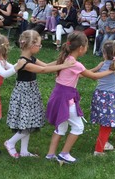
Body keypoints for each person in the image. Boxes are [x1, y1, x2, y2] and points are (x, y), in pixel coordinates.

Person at [45, 31, 114, 164]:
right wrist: (110, 71)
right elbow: (93, 77)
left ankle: (50, 154)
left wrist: (96, 68)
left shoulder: (65, 59)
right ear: (81, 48)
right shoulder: (76, 64)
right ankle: (64, 154)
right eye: (86, 46)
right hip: (66, 100)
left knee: (60, 127)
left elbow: (80, 74)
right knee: (78, 127)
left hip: (57, 97)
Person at [4, 30, 74, 158]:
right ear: (31, 45)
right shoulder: (23, 62)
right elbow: (43, 70)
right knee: (27, 123)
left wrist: (62, 60)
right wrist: (64, 66)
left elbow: (46, 65)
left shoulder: (31, 58)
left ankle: (24, 151)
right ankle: (10, 142)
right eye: (39, 45)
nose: (40, 47)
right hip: (24, 94)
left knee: (28, 122)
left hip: (31, 92)